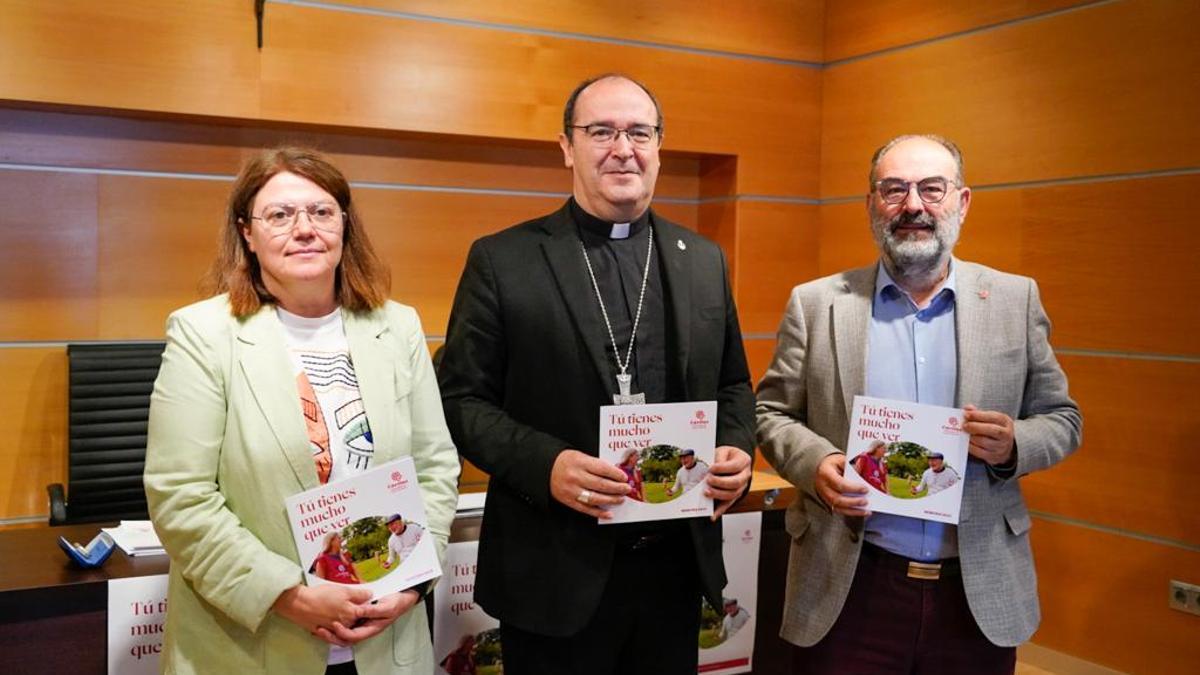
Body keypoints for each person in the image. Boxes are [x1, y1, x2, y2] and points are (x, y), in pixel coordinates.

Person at [438, 73, 755, 675]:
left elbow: (734, 384)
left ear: (659, 145)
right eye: (601, 131)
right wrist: (546, 465)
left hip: (674, 572)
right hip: (554, 572)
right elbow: (461, 400)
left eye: (639, 131)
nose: (623, 147)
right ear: (567, 147)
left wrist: (734, 449)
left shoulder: (703, 260)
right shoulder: (504, 260)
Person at [756, 134, 1082, 674]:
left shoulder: (1014, 300)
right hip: (849, 585)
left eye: (932, 189)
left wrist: (1013, 444)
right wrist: (816, 465)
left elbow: (1064, 419)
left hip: (974, 591)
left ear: (962, 201)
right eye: (894, 189)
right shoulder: (816, 304)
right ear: (870, 204)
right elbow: (771, 414)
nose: (913, 205)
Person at [144, 146, 460, 674]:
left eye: (321, 211)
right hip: (255, 642)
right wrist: (287, 594)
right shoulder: (203, 334)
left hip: (387, 641)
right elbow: (182, 497)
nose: (305, 229)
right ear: (247, 232)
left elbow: (434, 467)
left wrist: (412, 580)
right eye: (280, 215)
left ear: (344, 225)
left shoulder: (397, 326)